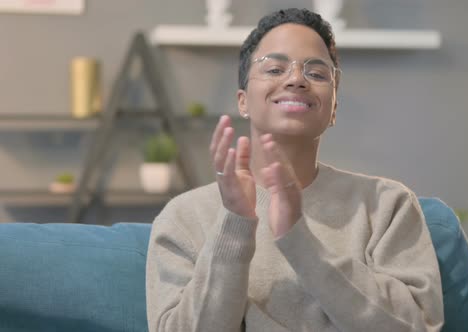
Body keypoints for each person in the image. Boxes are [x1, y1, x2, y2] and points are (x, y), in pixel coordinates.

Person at [146, 8, 444, 332]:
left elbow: (415, 327)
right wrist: (235, 222)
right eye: (274, 68)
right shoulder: (183, 217)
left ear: (333, 108)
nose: (296, 79)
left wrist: (299, 239)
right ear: (242, 101)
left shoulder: (386, 205)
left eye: (316, 74)